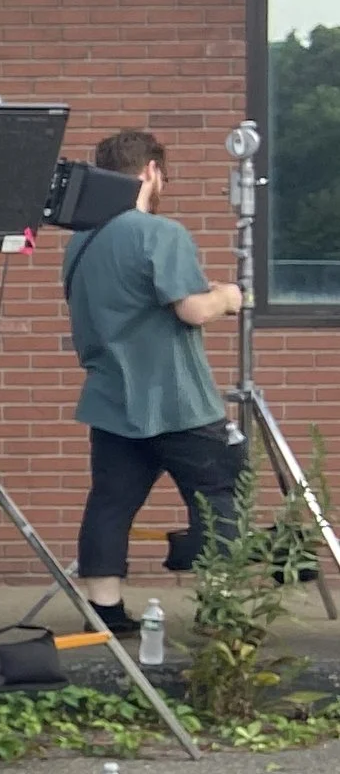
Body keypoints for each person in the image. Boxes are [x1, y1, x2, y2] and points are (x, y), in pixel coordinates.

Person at [64, 124, 245, 636]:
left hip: (112, 398)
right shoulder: (160, 233)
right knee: (220, 495)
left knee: (110, 502)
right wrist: (228, 297)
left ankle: (104, 611)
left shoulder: (80, 243)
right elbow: (190, 310)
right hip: (178, 399)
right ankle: (222, 609)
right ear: (150, 171)